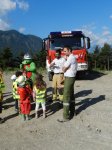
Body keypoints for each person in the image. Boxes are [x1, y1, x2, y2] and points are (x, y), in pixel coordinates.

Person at [58, 46, 77, 122]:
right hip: (70, 77)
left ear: (69, 50)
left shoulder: (71, 58)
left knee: (66, 95)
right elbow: (65, 68)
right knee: (71, 95)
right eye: (63, 51)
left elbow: (63, 69)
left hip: (69, 77)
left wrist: (66, 68)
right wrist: (66, 67)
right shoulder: (71, 57)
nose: (64, 52)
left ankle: (65, 117)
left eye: (65, 51)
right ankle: (72, 112)